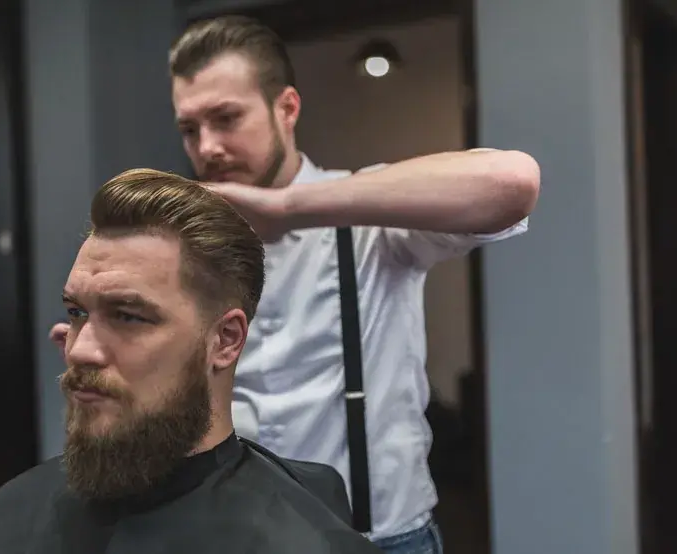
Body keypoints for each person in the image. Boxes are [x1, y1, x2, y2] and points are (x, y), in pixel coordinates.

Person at [49, 15, 540, 554]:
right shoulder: (180, 247)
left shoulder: (367, 214)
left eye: (226, 119)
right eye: (190, 129)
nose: (207, 147)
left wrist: (288, 208)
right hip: (234, 538)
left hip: (379, 539)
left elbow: (512, 182)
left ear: (286, 109)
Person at [0, 169, 383, 554]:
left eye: (128, 316)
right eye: (77, 313)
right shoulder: (16, 508)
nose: (80, 350)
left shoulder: (304, 538)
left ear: (225, 340)